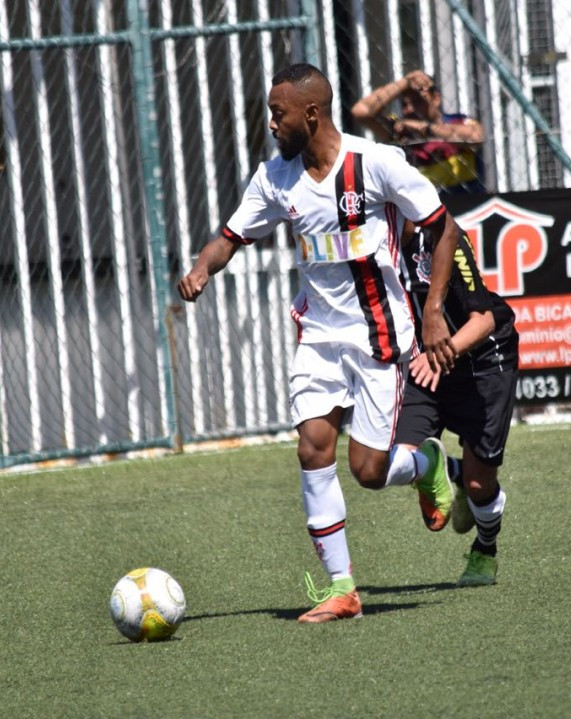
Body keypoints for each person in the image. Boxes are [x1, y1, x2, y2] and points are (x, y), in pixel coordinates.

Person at [178, 63, 464, 624]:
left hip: (379, 334)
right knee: (312, 448)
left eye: (277, 113)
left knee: (369, 472)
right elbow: (230, 237)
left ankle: (428, 460)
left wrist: (433, 311)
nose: (270, 123)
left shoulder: (376, 163)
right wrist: (201, 269)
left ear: (311, 114)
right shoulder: (274, 179)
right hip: (317, 336)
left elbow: (443, 226)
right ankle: (342, 588)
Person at [395, 222, 519, 586]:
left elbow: (484, 320)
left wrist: (440, 353)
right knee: (393, 459)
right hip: (425, 363)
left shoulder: (443, 236)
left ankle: (485, 550)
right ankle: (445, 469)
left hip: (483, 360)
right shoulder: (369, 242)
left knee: (480, 486)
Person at [351, 69, 485, 194]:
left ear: (436, 99)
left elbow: (476, 137)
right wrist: (403, 83)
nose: (410, 109)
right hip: (418, 209)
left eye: (418, 101)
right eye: (404, 104)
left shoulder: (458, 122)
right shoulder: (400, 128)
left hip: (464, 200)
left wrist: (427, 129)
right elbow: (361, 112)